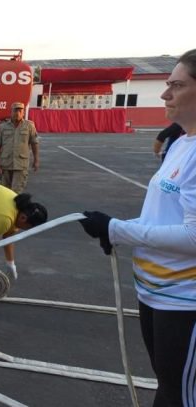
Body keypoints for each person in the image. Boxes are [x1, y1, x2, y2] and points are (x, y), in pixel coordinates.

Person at [79, 49, 196, 406]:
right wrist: (115, 228)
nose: (165, 94)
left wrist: (118, 230)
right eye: (166, 85)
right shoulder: (181, 142)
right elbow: (164, 216)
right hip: (156, 293)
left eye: (176, 86)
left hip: (185, 301)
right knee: (167, 384)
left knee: (178, 395)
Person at [0, 102, 40, 193]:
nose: (17, 113)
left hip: (20, 165)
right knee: (4, 191)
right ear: (11, 112)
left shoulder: (29, 126)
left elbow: (35, 143)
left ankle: (14, 208)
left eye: (20, 111)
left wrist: (36, 160)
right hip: (6, 163)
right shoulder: (3, 127)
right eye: (15, 111)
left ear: (23, 113)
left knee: (16, 192)